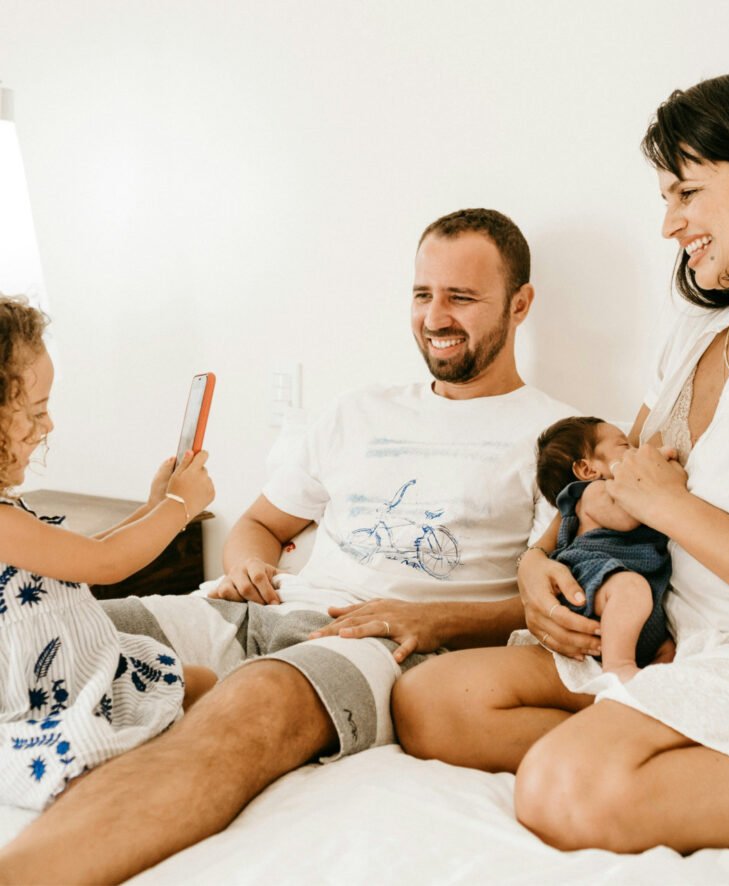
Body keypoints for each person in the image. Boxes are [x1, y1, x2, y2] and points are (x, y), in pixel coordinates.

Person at [0, 208, 576, 883]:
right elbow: (260, 526)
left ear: (520, 304)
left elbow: (553, 605)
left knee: (246, 713)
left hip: (374, 643)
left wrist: (433, 619)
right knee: (63, 631)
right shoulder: (357, 411)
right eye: (423, 293)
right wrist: (248, 567)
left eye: (462, 297)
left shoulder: (562, 437)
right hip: (255, 608)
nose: (434, 316)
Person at [394, 72, 729, 853]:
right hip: (673, 633)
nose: (669, 224)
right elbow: (615, 478)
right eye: (664, 198)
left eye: (687, 193)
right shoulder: (700, 331)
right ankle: (658, 743)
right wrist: (536, 561)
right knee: (430, 702)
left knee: (561, 790)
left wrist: (674, 508)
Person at [0, 296, 216, 812]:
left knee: (203, 682)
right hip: (41, 702)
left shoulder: (10, 513)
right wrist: (180, 508)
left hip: (80, 674)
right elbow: (107, 565)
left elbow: (84, 558)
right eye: (36, 411)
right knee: (91, 756)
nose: (49, 425)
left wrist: (153, 507)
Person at [531, 416, 671, 681]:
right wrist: (657, 465)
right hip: (592, 580)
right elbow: (627, 516)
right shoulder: (594, 492)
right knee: (630, 588)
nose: (636, 451)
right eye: (625, 446)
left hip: (632, 602)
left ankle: (647, 678)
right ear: (587, 470)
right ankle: (618, 666)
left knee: (667, 646)